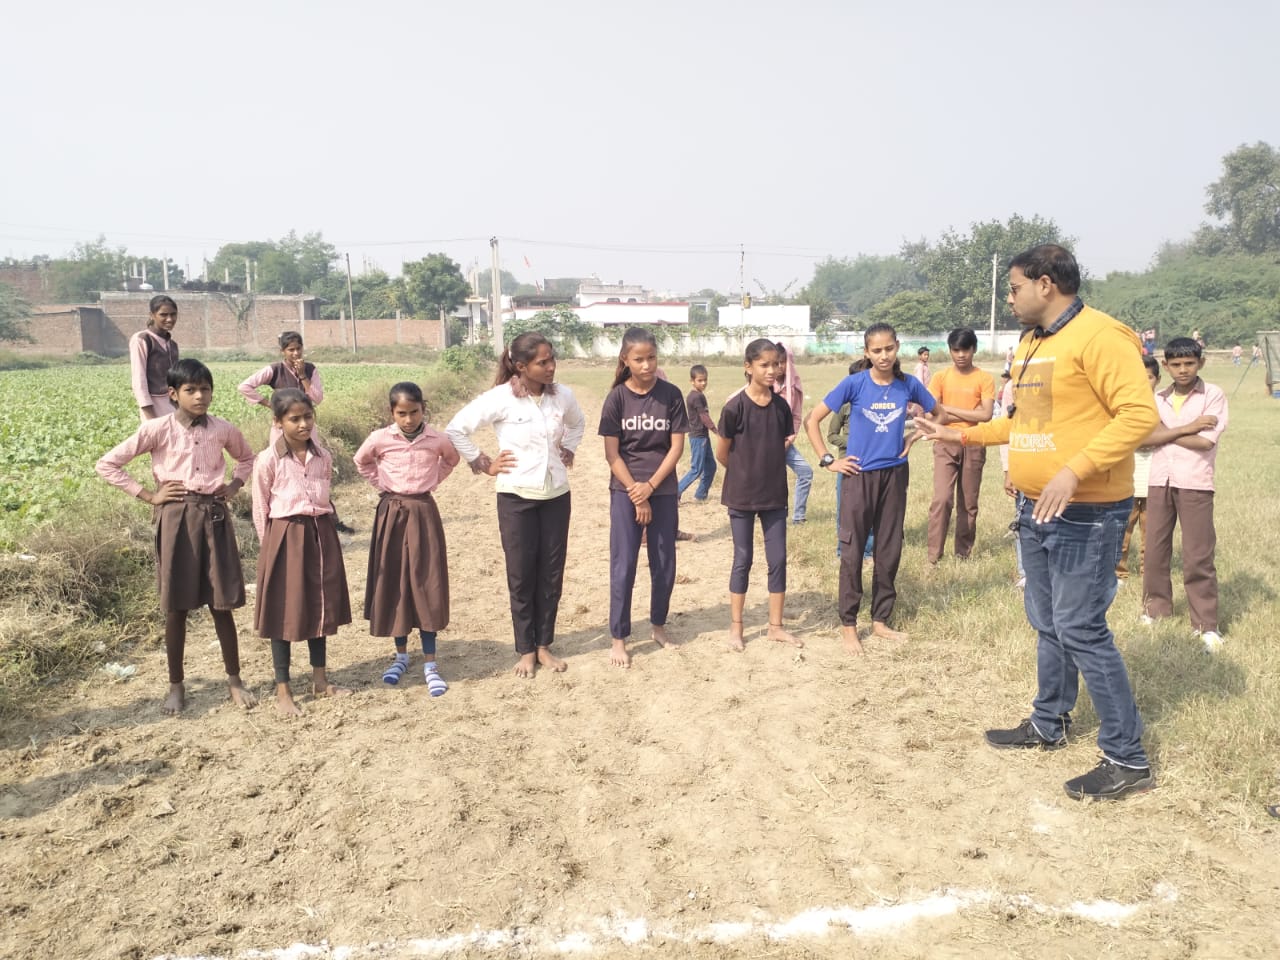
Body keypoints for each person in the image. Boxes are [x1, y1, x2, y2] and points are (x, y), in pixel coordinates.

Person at [914, 244, 1159, 801]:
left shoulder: (1102, 337)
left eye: (1014, 287)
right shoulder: (1030, 344)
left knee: (1081, 628)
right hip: (1033, 508)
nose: (1009, 296)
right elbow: (1023, 424)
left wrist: (1075, 472)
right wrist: (962, 434)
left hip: (1087, 512)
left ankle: (1128, 758)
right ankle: (1050, 722)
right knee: (1047, 621)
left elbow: (1140, 415)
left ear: (1046, 284)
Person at [96, 357, 257, 714]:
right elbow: (108, 464)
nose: (200, 396)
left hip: (214, 516)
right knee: (177, 606)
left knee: (222, 603)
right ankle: (176, 686)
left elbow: (247, 459)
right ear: (172, 394)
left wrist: (233, 485)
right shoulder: (157, 430)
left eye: (206, 389)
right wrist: (149, 495)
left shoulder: (223, 429)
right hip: (176, 518)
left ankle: (234, 681)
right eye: (191, 390)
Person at [445, 332, 585, 678]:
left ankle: (544, 646)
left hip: (556, 497)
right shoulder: (500, 399)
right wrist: (483, 463)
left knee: (551, 575)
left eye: (552, 359)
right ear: (521, 366)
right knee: (522, 575)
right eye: (543, 362)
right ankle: (525, 649)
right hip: (516, 498)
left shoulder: (562, 396)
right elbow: (456, 428)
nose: (551, 366)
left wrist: (569, 447)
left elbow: (578, 422)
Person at [804, 323, 935, 655]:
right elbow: (812, 420)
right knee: (852, 551)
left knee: (889, 549)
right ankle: (848, 624)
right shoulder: (854, 383)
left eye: (889, 348)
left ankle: (880, 620)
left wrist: (914, 436)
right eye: (876, 350)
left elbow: (939, 414)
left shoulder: (909, 385)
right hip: (858, 476)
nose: (884, 355)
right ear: (866, 353)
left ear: (897, 347)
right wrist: (828, 460)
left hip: (894, 475)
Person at [252, 389, 353, 716]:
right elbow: (260, 507)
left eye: (307, 417)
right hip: (284, 536)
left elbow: (323, 496)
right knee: (283, 613)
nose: (303, 424)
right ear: (278, 422)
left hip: (319, 532)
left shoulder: (322, 456)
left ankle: (320, 680)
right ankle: (283, 690)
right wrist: (269, 549)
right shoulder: (267, 460)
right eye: (294, 419)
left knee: (318, 606)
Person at [355, 382, 459, 693]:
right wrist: (383, 485)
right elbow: (362, 462)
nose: (409, 419)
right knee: (396, 583)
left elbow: (451, 460)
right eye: (402, 413)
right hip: (391, 513)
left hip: (423, 513)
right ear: (392, 413)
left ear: (423, 409)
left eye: (414, 412)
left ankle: (430, 662)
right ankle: (400, 656)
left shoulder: (437, 439)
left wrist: (431, 482)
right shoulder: (380, 439)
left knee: (427, 583)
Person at [599, 328, 689, 667]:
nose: (647, 365)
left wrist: (650, 487)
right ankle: (619, 637)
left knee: (664, 563)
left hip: (662, 488)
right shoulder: (617, 398)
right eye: (639, 359)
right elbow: (612, 454)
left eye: (651, 357)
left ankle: (658, 625)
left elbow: (676, 447)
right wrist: (636, 494)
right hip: (625, 490)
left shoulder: (671, 395)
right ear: (626, 360)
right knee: (624, 566)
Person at [1141, 337, 1229, 651]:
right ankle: (1155, 610)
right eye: (1176, 364)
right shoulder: (1157, 398)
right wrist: (1187, 427)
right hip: (1160, 479)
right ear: (1165, 365)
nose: (1183, 370)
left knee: (1198, 555)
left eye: (1189, 363)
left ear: (1200, 363)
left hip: (1195, 481)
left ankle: (1206, 624)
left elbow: (1206, 442)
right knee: (1154, 551)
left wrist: (1165, 433)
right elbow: (1144, 438)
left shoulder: (1213, 395)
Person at [716, 338, 804, 651]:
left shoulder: (781, 406)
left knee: (777, 559)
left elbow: (778, 445)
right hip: (741, 496)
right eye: (764, 365)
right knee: (743, 558)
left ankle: (775, 626)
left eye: (776, 364)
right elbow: (722, 454)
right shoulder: (734, 407)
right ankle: (736, 627)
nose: (772, 370)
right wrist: (744, 474)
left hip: (774, 497)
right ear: (748, 366)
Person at [925, 328, 996, 565]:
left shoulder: (984, 378)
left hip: (974, 441)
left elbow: (985, 415)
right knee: (942, 499)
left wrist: (949, 409)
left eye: (965, 349)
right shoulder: (940, 377)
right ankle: (934, 555)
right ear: (950, 351)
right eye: (956, 350)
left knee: (968, 502)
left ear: (973, 349)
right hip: (945, 441)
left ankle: (962, 555)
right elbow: (932, 410)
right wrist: (952, 412)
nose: (961, 355)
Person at [1116, 356, 1160, 584]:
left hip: (1156, 479)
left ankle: (1148, 573)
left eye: (1149, 378)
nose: (1144, 382)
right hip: (1128, 480)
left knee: (1151, 534)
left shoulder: (1163, 405)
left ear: (1157, 379)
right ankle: (1119, 571)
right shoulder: (1124, 406)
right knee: (1123, 531)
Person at [826, 360, 875, 565]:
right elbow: (831, 435)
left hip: (873, 463)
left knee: (871, 511)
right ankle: (843, 550)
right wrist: (854, 443)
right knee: (845, 510)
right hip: (848, 463)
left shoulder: (876, 404)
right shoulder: (844, 406)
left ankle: (868, 552)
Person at [238, 331, 324, 444]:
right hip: (283, 424)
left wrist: (302, 375)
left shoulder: (310, 369)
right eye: (291, 350)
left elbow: (317, 398)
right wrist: (270, 404)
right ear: (282, 351)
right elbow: (244, 387)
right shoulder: (275, 369)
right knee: (281, 456)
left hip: (305, 425)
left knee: (310, 455)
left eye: (299, 348)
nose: (296, 353)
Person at [772, 341, 812, 525]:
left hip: (784, 442)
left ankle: (798, 517)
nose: (778, 367)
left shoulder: (793, 388)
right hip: (762, 440)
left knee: (805, 472)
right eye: (774, 362)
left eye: (782, 362)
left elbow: (796, 417)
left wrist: (788, 440)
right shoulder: (765, 383)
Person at [995, 371, 1025, 588]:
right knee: (1024, 519)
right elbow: (1006, 430)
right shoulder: (1011, 387)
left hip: (1055, 465)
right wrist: (1008, 470)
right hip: (1022, 464)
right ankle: (1026, 571)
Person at [128, 294, 180, 421]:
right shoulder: (142, 340)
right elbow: (139, 380)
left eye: (173, 314)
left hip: (174, 405)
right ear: (152, 315)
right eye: (163, 315)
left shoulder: (172, 345)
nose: (169, 319)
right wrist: (149, 416)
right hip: (153, 406)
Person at [677, 364, 718, 502]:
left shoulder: (698, 395)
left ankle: (700, 495)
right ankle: (676, 493)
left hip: (702, 437)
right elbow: (703, 416)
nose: (704, 383)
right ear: (692, 381)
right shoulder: (696, 397)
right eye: (700, 380)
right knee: (696, 470)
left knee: (711, 466)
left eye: (705, 380)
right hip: (698, 437)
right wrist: (715, 430)